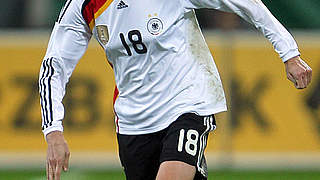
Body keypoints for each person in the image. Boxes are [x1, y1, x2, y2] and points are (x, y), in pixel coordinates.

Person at [39, 0, 312, 179]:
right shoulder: (83, 6)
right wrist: (53, 132)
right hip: (134, 123)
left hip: (188, 102)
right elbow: (54, 66)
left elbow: (246, 4)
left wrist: (289, 53)